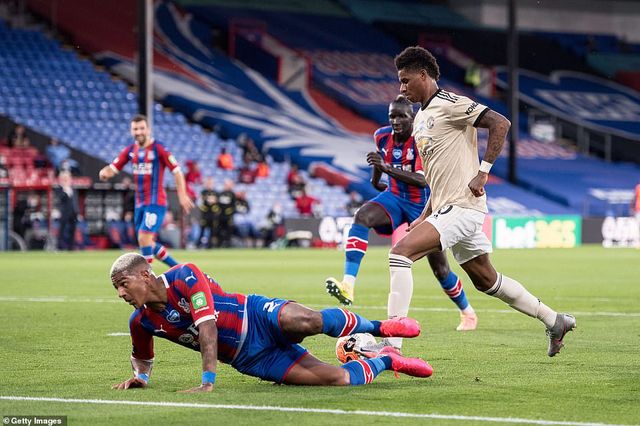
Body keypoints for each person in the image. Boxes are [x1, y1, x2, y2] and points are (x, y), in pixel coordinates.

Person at [392, 46, 575, 356]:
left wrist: (483, 172)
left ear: (423, 76)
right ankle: (554, 320)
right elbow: (440, 176)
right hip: (448, 207)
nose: (402, 88)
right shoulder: (422, 116)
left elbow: (500, 123)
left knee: (400, 255)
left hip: (463, 207)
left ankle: (390, 345)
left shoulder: (450, 103)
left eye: (406, 80)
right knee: (486, 281)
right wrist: (425, 215)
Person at [109, 253, 433, 391]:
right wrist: (142, 378)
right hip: (253, 358)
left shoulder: (184, 275)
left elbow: (207, 325)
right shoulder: (141, 322)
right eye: (116, 288)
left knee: (308, 320)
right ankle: (387, 360)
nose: (121, 293)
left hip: (254, 315)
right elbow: (142, 357)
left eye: (123, 284)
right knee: (338, 380)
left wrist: (208, 380)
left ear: (144, 274)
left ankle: (379, 328)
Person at [326, 95, 478, 339]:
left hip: (423, 205)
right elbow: (379, 171)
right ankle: (348, 284)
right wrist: (377, 174)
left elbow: (422, 179)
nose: (396, 121)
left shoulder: (421, 140)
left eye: (401, 116)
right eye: (392, 116)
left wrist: (385, 169)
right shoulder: (381, 136)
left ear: (413, 118)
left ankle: (468, 312)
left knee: (440, 269)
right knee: (362, 216)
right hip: (394, 197)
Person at [99, 114, 194, 266]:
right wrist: (104, 173)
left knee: (144, 238)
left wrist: (182, 195)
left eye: (142, 128)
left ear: (148, 129)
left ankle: (147, 280)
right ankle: (178, 268)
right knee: (146, 242)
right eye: (135, 129)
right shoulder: (130, 150)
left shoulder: (159, 149)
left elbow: (177, 171)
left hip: (156, 202)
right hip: (140, 203)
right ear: (131, 131)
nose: (139, 132)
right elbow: (113, 168)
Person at [55, 171, 79, 250]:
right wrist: (65, 190)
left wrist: (77, 211)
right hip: (64, 213)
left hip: (73, 212)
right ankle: (59, 247)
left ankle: (71, 247)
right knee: (62, 230)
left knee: (72, 230)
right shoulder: (59, 189)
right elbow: (60, 199)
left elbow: (75, 201)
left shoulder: (73, 188)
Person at [198, 177, 220, 248]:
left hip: (212, 215)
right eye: (208, 183)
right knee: (202, 230)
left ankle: (210, 245)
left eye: (211, 183)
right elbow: (200, 202)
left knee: (212, 230)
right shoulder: (203, 192)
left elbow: (216, 202)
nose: (209, 185)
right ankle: (199, 244)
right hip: (205, 214)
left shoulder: (215, 192)